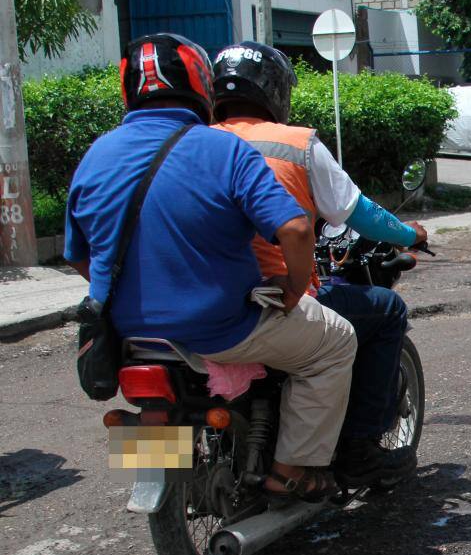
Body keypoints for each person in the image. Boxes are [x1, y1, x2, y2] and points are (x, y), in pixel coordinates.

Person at [65, 33, 356, 502]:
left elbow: (80, 255)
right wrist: (290, 289)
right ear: (203, 86)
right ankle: (290, 471)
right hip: (221, 327)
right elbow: (298, 232)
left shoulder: (96, 155)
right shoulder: (225, 150)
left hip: (127, 334)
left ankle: (149, 478)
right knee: (337, 342)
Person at [210, 41, 426, 486]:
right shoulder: (294, 143)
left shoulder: (190, 142)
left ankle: (154, 472)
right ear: (274, 91)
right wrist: (410, 234)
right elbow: (354, 212)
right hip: (262, 295)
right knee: (385, 311)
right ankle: (352, 450)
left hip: (185, 302)